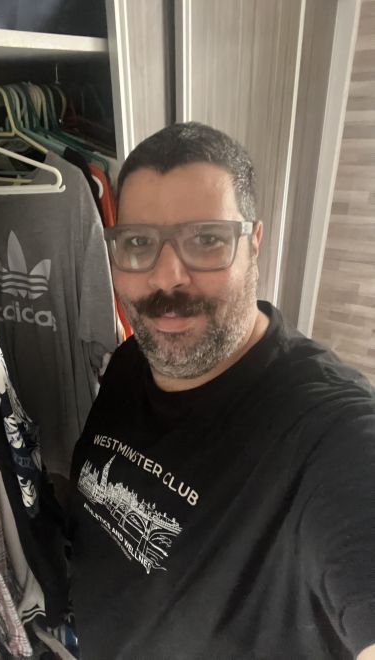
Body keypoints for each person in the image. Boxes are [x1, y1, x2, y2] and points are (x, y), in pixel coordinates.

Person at [68, 122, 375, 660]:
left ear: (253, 244)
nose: (167, 278)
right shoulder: (131, 361)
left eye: (206, 240)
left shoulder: (329, 432)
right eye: (138, 243)